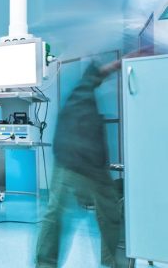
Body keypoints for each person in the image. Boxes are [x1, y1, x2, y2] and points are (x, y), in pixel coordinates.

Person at [35, 59, 124, 268]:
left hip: (72, 157)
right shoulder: (83, 91)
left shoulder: (81, 94)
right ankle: (115, 262)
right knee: (105, 213)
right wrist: (115, 65)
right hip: (82, 158)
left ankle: (45, 263)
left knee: (56, 213)